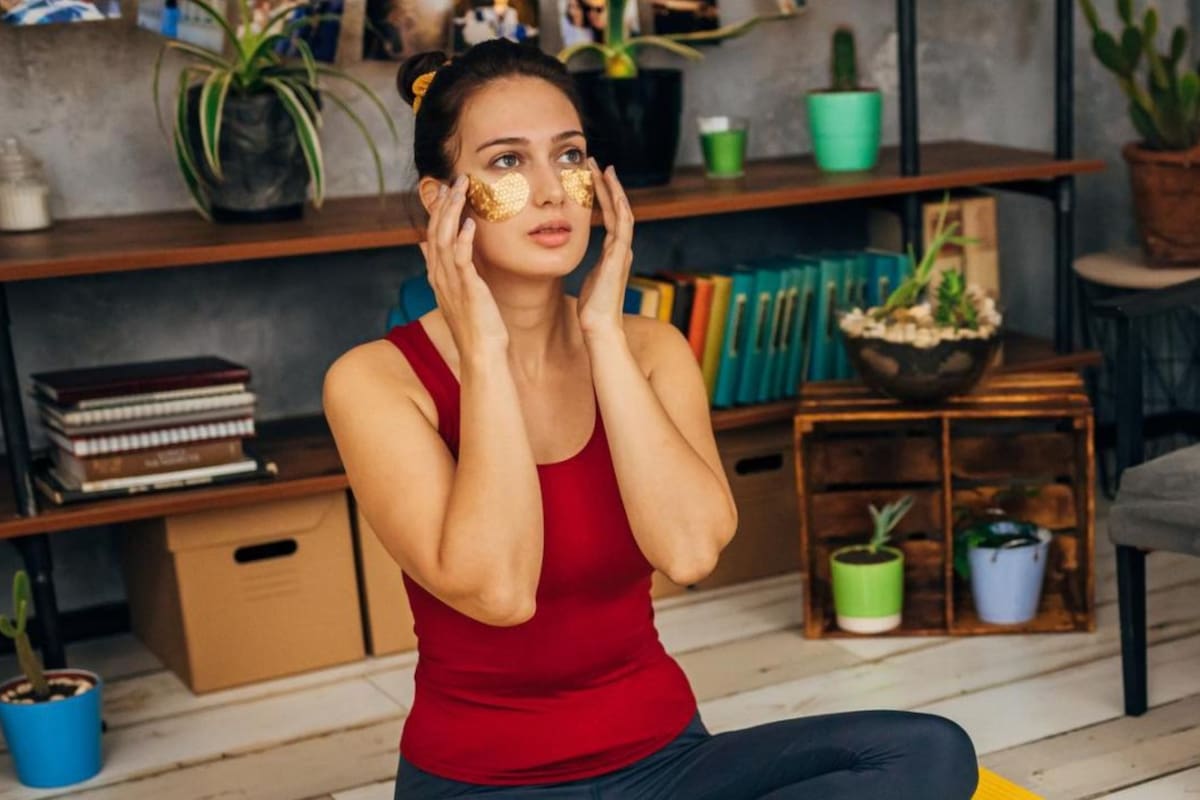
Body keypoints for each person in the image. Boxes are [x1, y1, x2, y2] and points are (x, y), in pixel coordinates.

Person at [322, 38, 980, 800]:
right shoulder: (375, 382)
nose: (551, 190)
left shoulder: (649, 348)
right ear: (441, 201)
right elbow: (500, 593)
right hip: (486, 783)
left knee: (927, 753)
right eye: (506, 161)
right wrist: (487, 350)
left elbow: (691, 550)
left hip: (666, 763)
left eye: (568, 156)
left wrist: (604, 334)